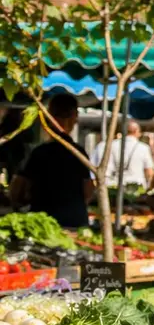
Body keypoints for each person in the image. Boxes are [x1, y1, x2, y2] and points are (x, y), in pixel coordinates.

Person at [9, 94, 93, 228]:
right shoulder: (79, 153)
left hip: (42, 222)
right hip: (75, 221)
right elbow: (88, 191)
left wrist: (19, 204)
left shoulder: (38, 153)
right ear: (74, 117)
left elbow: (17, 188)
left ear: (49, 118)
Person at [93, 120, 154, 188]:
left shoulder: (111, 145)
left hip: (114, 185)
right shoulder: (143, 148)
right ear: (136, 131)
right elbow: (149, 171)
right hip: (137, 187)